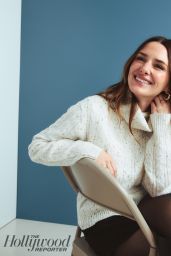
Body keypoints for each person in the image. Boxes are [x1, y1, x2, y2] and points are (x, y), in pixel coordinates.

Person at [28, 36, 171, 256]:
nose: (144, 68)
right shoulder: (94, 109)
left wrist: (161, 126)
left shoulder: (163, 122)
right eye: (140, 59)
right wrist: (89, 151)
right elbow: (37, 147)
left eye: (158, 66)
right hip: (104, 215)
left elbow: (158, 189)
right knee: (153, 248)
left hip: (142, 208)